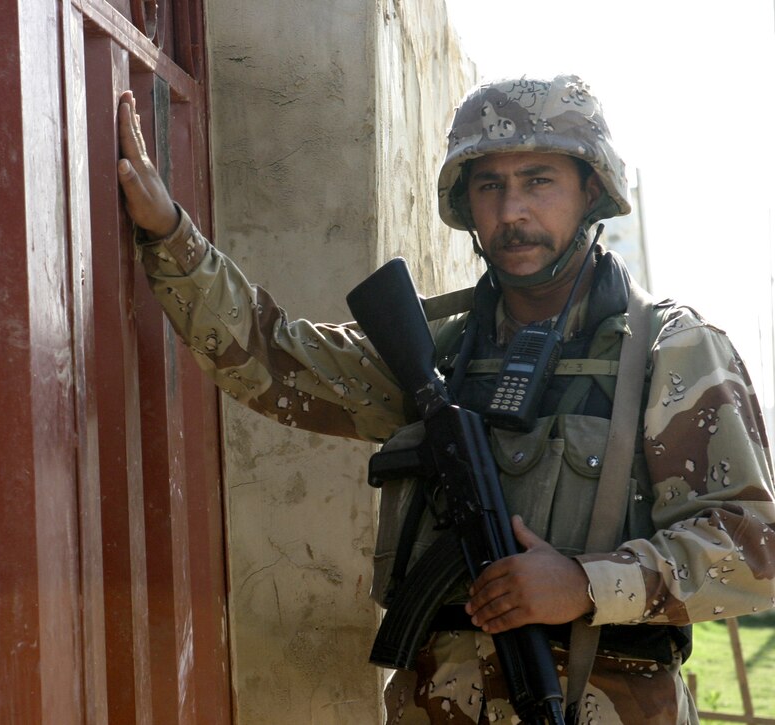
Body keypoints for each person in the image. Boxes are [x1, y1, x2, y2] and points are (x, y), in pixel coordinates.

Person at [116, 75, 775, 724]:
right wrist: (170, 233)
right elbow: (273, 358)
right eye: (490, 185)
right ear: (466, 205)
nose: (512, 211)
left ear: (591, 192)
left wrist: (586, 581)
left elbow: (754, 548)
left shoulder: (670, 351)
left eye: (539, 180)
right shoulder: (437, 354)